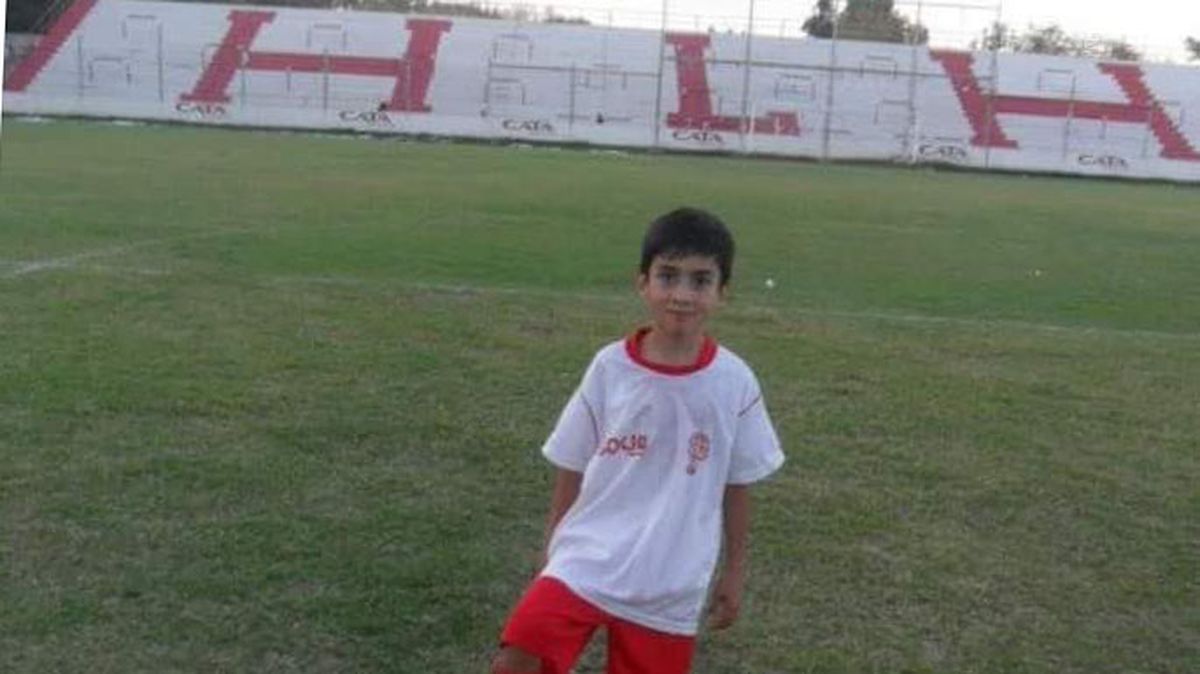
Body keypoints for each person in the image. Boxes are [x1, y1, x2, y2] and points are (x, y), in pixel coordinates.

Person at [491, 207, 785, 674]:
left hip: (669, 577)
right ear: (642, 283)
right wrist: (552, 547)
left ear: (722, 292)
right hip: (587, 557)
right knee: (516, 658)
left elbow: (738, 482)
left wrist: (733, 572)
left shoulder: (734, 381)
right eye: (668, 276)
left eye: (700, 281)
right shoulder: (611, 367)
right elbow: (572, 462)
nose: (682, 295)